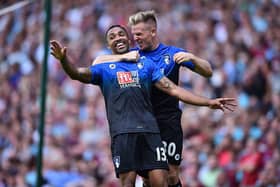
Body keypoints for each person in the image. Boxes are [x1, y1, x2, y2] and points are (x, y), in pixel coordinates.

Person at [50, 25, 236, 187]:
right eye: (112, 37)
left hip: (150, 132)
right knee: (128, 183)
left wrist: (208, 102)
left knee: (161, 181)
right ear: (109, 46)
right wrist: (64, 60)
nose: (117, 38)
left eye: (120, 34)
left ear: (128, 38)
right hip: (123, 133)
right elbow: (76, 73)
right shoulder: (104, 69)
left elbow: (174, 90)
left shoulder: (145, 64)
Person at [93, 10, 213, 187]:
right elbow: (97, 63)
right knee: (149, 179)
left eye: (139, 34)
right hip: (143, 123)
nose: (135, 39)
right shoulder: (132, 55)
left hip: (167, 121)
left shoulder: (172, 54)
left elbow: (208, 71)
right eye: (133, 35)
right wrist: (122, 56)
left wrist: (193, 58)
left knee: (171, 175)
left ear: (153, 32)